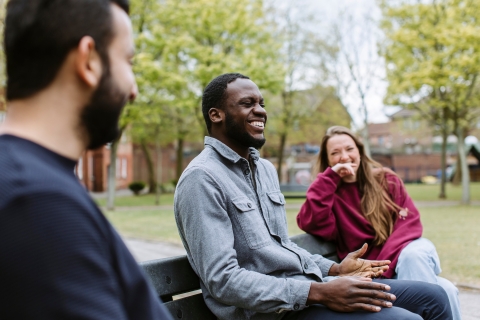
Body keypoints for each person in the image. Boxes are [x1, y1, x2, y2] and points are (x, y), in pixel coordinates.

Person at [174, 73, 453, 320]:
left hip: (309, 290)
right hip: (271, 312)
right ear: (216, 115)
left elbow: (281, 247)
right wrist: (319, 292)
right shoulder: (202, 179)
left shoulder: (264, 170)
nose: (260, 111)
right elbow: (223, 280)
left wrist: (335, 270)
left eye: (261, 103)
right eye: (248, 104)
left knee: (433, 297)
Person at [0, 1, 172, 319]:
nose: (133, 89)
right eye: (128, 61)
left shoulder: (34, 181)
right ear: (89, 60)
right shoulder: (38, 203)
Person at [296, 125, 461, 320]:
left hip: (402, 254)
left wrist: (385, 267)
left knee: (413, 256)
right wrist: (329, 178)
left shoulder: (386, 179)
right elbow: (311, 221)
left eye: (349, 149)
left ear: (359, 150)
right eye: (335, 153)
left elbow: (409, 224)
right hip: (371, 271)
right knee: (448, 290)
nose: (344, 157)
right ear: (328, 160)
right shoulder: (329, 195)